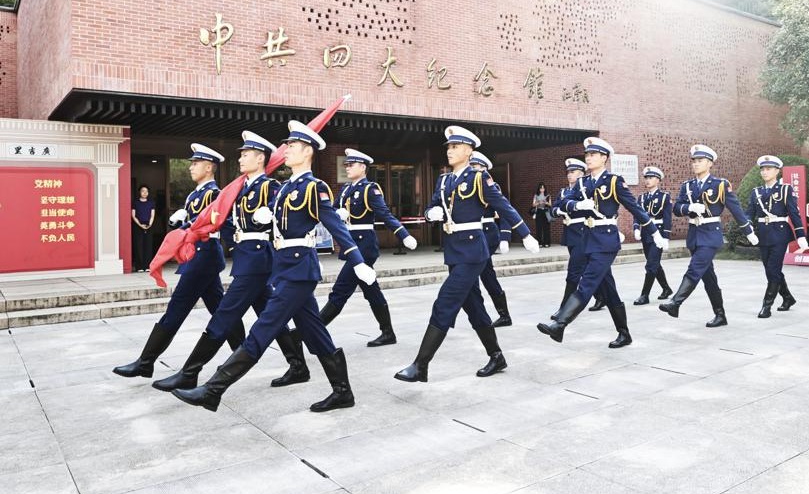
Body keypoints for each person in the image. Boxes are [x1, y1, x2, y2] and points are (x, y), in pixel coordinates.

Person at [171, 120, 377, 413]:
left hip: (300, 270)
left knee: (262, 329)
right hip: (285, 269)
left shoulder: (313, 188)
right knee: (315, 332)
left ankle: (213, 389)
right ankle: (342, 392)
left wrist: (357, 261)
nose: (286, 150)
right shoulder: (285, 188)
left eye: (292, 146)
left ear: (306, 152)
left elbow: (336, 227)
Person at [151, 131, 309, 392]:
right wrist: (197, 228)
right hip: (245, 257)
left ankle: (191, 372)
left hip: (258, 259)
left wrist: (270, 215)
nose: (241, 159)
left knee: (224, 315)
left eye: (246, 155)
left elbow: (286, 218)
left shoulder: (271, 187)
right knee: (272, 315)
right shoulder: (239, 189)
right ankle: (298, 365)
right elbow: (224, 222)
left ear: (260, 159)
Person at [394, 126, 540, 383]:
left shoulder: (478, 178)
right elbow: (431, 208)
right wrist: (431, 214)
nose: (450, 151)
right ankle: (496, 356)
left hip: (473, 251)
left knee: (445, 302)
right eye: (448, 147)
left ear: (469, 150)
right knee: (474, 307)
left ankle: (420, 365)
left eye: (455, 147)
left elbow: (504, 207)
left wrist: (525, 234)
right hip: (453, 250)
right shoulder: (443, 180)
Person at [113, 144, 245, 379]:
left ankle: (145, 362)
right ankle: (242, 354)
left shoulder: (214, 194)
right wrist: (182, 223)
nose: (191, 167)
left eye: (196, 163)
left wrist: (239, 250)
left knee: (177, 307)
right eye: (191, 163)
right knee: (222, 310)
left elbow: (220, 224)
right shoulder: (195, 194)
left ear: (209, 167)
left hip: (204, 256)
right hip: (197, 256)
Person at [537, 137, 666, 346]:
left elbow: (635, 208)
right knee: (608, 289)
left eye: (593, 155)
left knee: (587, 282)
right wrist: (576, 206)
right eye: (587, 155)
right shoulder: (582, 182)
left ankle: (560, 324)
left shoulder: (614, 181)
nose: (588, 158)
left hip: (606, 240)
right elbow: (562, 203)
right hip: (587, 239)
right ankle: (624, 333)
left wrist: (654, 232)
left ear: (604, 158)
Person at [319, 148, 418, 345]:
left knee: (340, 291)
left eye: (351, 164)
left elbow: (385, 214)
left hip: (364, 247)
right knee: (371, 289)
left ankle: (310, 331)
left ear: (363, 167)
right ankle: (388, 332)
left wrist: (404, 235)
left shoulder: (369, 189)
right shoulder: (346, 189)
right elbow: (332, 209)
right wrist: (337, 213)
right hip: (351, 245)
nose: (347, 168)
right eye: (346, 165)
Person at [659, 145, 757, 327]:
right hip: (694, 235)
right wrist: (689, 208)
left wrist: (748, 231)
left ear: (710, 163)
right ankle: (720, 315)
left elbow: (736, 210)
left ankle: (676, 302)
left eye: (700, 161)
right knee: (708, 278)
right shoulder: (687, 186)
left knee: (694, 268)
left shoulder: (720, 185)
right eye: (694, 161)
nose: (696, 164)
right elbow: (676, 208)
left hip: (711, 235)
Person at [746, 155, 808, 317]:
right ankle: (787, 298)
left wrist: (801, 234)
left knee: (773, 269)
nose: (765, 172)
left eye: (768, 169)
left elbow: (794, 213)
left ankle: (766, 306)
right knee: (770, 270)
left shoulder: (785, 189)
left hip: (780, 233)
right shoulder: (756, 192)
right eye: (763, 169)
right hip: (762, 234)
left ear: (777, 171)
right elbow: (749, 214)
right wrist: (748, 230)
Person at [550, 158, 607, 319]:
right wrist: (558, 211)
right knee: (589, 269)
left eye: (573, 172)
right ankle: (602, 297)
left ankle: (564, 310)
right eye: (568, 172)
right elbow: (554, 209)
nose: (569, 175)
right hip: (570, 233)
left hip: (583, 233)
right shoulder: (563, 192)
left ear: (582, 173)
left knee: (574, 273)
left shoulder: (586, 190)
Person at [469, 151, 513, 327]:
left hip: (487, 232)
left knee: (480, 273)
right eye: (471, 166)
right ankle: (500, 315)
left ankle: (495, 315)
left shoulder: (490, 185)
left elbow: (505, 211)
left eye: (475, 166)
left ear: (484, 168)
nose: (472, 169)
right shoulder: (468, 183)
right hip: (475, 233)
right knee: (486, 275)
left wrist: (505, 237)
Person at [632, 167, 674, 305]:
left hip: (659, 234)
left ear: (657, 180)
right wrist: (636, 228)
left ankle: (644, 295)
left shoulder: (664, 197)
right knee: (655, 264)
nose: (648, 180)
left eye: (651, 178)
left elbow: (667, 218)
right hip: (645, 234)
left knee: (650, 265)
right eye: (646, 178)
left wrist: (666, 237)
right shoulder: (642, 198)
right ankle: (666, 289)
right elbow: (638, 215)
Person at [131, 185, 155, 272]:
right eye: (143, 191)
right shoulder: (135, 202)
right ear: (139, 192)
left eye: (146, 191)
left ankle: (148, 266)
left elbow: (152, 215)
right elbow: (133, 215)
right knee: (139, 246)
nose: (145, 193)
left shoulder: (151, 202)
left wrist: (150, 224)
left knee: (148, 246)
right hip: (138, 226)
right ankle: (139, 266)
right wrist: (140, 225)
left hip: (149, 225)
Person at [532, 182, 552, 247]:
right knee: (539, 227)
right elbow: (533, 204)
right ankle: (539, 243)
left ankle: (547, 243)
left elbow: (550, 204)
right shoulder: (536, 195)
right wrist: (538, 203)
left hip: (546, 211)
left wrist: (546, 202)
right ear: (539, 189)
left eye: (543, 188)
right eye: (541, 188)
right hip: (539, 211)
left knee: (546, 227)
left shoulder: (548, 195)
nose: (542, 189)